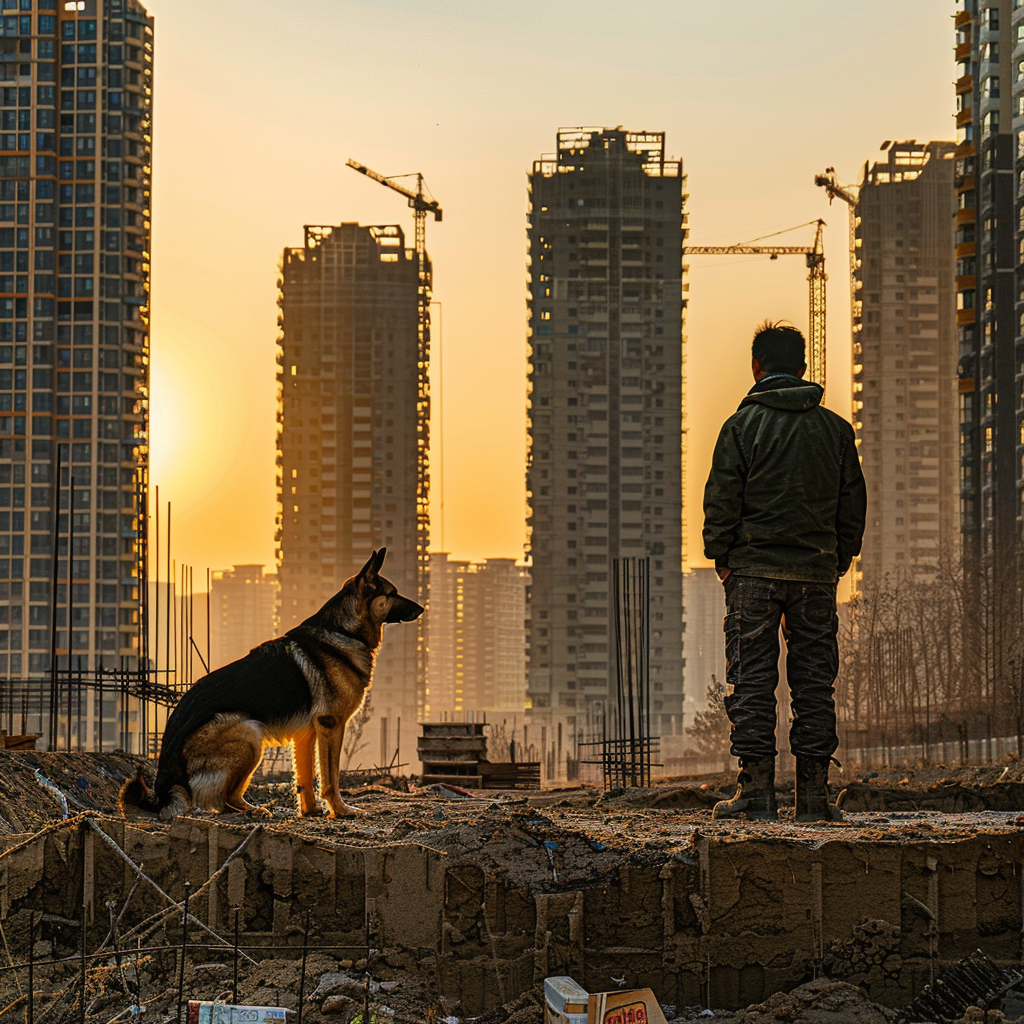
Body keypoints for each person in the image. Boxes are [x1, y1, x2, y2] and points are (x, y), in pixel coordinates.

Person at [702, 321, 866, 822]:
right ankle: (814, 799)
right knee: (814, 682)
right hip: (815, 576)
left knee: (751, 680)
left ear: (757, 367)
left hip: (752, 574)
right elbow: (852, 505)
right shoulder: (835, 430)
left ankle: (755, 794)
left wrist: (723, 558)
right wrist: (836, 560)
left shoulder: (739, 427)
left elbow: (722, 499)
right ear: (802, 369)